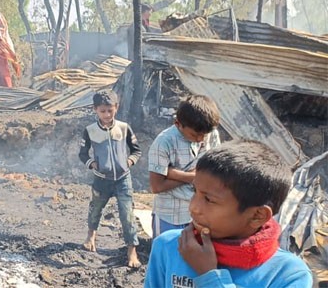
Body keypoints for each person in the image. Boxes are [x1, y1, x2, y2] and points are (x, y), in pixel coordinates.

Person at [145, 141, 312, 287]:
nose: (193, 207)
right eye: (194, 191)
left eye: (209, 200)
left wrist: (210, 277)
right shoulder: (169, 247)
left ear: (257, 216)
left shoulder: (288, 274)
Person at [79, 90, 142, 268]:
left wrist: (129, 161)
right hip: (101, 179)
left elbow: (136, 150)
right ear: (95, 110)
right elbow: (83, 154)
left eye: (110, 110)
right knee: (96, 207)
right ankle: (91, 235)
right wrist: (92, 164)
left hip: (123, 179)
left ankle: (132, 250)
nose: (107, 115)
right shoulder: (90, 131)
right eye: (102, 111)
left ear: (117, 108)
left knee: (127, 214)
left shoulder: (124, 128)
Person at [148, 95, 221, 238]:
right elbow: (157, 186)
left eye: (203, 135)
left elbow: (214, 171)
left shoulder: (211, 134)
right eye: (194, 135)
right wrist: (194, 176)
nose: (200, 139)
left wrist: (172, 173)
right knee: (166, 257)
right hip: (169, 215)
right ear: (178, 124)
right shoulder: (164, 142)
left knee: (195, 258)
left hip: (200, 215)